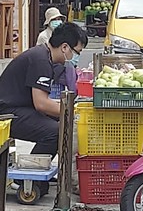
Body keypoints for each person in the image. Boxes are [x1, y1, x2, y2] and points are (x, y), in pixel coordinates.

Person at [0, 23, 87, 158]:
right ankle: (33, 174)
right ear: (64, 47)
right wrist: (76, 112)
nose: (77, 57)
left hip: (20, 108)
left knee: (62, 120)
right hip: (7, 113)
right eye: (77, 52)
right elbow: (41, 104)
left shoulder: (44, 55)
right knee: (55, 132)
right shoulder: (41, 60)